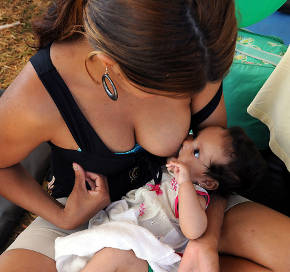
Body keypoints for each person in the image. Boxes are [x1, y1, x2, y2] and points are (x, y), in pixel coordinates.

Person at [0, 0, 289, 271]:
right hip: (83, 223)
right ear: (108, 64)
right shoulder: (39, 94)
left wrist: (205, 241)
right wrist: (62, 216)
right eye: (173, 91)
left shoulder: (193, 42)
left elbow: (221, 164)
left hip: (186, 200)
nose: (198, 89)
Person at [54, 125, 267, 272]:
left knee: (113, 257)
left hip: (148, 259)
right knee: (108, 256)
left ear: (208, 182)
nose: (186, 142)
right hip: (121, 240)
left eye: (196, 152)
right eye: (194, 137)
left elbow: (194, 230)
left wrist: (184, 184)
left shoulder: (195, 195)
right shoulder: (166, 171)